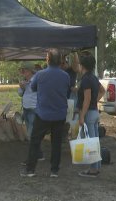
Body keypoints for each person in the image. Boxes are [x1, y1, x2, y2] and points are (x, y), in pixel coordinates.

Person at [21, 49, 70, 178]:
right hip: (59, 114)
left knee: (35, 141)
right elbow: (67, 91)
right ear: (60, 61)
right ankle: (54, 170)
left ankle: (30, 169)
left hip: (43, 114)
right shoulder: (65, 76)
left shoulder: (40, 75)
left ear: (47, 60)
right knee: (56, 143)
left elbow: (33, 88)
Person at [76, 54, 106, 178]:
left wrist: (82, 115)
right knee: (95, 141)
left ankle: (93, 170)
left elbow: (86, 99)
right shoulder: (93, 78)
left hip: (88, 113)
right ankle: (96, 167)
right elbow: (102, 90)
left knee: (91, 142)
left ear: (82, 66)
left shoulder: (86, 79)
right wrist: (96, 101)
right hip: (94, 112)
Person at [17, 62, 44, 161]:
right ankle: (39, 154)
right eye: (21, 70)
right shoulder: (24, 81)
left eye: (23, 70)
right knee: (31, 133)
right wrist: (21, 87)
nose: (22, 72)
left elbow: (38, 91)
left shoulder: (36, 80)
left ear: (29, 71)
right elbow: (20, 94)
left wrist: (27, 85)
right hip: (26, 109)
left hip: (34, 109)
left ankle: (33, 156)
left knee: (32, 133)